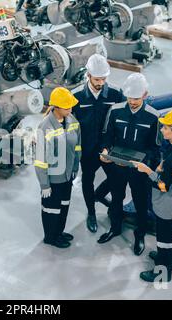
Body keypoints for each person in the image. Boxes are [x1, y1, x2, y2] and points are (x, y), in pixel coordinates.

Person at [98, 73, 161, 256]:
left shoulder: (153, 117)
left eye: (136, 98)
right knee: (116, 198)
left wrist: (143, 163)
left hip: (138, 169)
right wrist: (105, 151)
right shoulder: (116, 110)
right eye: (129, 97)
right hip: (117, 165)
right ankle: (115, 228)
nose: (132, 101)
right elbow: (107, 136)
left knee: (141, 203)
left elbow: (155, 148)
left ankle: (139, 235)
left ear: (145, 94)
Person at [131, 108, 172, 282]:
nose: (162, 130)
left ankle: (163, 272)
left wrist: (147, 171)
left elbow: (163, 185)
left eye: (166, 127)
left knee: (164, 238)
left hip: (167, 205)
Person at [72, 54, 125, 233]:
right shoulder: (77, 97)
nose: (101, 82)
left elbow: (120, 122)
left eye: (104, 78)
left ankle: (110, 206)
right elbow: (72, 125)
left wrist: (109, 147)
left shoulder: (116, 95)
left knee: (116, 181)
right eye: (97, 79)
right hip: (87, 151)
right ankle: (91, 213)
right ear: (88, 75)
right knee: (88, 180)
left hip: (108, 149)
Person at [34, 87, 82, 248]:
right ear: (56, 107)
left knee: (63, 205)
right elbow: (40, 160)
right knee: (51, 209)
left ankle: (59, 233)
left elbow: (77, 147)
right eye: (67, 107)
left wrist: (75, 167)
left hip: (67, 175)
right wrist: (44, 184)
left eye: (71, 106)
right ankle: (50, 237)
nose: (70, 109)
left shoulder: (73, 121)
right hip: (53, 178)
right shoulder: (45, 127)